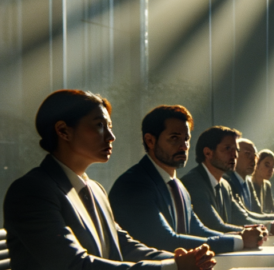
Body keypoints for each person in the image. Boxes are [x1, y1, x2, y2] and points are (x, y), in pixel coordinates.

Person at [3, 90, 215, 270]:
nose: (111, 137)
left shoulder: (95, 189)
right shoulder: (33, 191)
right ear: (63, 131)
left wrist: (185, 260)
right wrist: (174, 269)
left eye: (110, 127)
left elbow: (125, 246)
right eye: (99, 126)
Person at [109, 105, 266, 254]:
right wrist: (238, 241)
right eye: (174, 138)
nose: (184, 146)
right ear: (150, 141)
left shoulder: (179, 186)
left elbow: (198, 230)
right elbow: (166, 241)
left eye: (186, 139)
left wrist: (239, 237)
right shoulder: (134, 184)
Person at [180, 126, 274, 235]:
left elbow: (241, 217)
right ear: (208, 153)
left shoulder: (225, 185)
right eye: (228, 148)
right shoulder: (194, 183)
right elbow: (215, 227)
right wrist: (269, 227)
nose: (234, 155)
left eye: (236, 150)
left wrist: (271, 224)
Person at [226, 138, 262, 214]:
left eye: (255, 157)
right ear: (235, 155)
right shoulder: (227, 181)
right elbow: (240, 217)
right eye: (248, 154)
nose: (253, 161)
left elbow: (258, 212)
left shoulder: (248, 181)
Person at [251, 149, 274, 214]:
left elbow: (273, 208)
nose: (271, 170)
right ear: (257, 163)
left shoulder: (266, 185)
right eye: (267, 165)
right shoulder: (249, 184)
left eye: (273, 167)